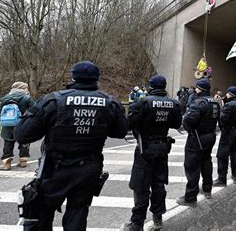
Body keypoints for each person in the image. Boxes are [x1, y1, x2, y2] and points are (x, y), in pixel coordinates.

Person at [14, 61, 128, 230]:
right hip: (88, 170)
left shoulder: (53, 100)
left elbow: (22, 134)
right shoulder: (109, 103)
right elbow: (120, 131)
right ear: (96, 79)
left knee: (41, 215)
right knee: (78, 214)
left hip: (55, 170)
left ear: (73, 77)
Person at [123, 75, 182, 231]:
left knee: (141, 186)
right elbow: (177, 124)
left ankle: (137, 223)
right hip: (163, 147)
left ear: (150, 86)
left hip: (146, 148)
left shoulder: (142, 102)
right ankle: (158, 219)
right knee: (158, 184)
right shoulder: (174, 103)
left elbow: (129, 124)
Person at [177, 79, 220, 206]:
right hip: (211, 136)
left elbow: (188, 121)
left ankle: (190, 197)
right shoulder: (215, 102)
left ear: (199, 89)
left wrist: (189, 129)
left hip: (197, 137)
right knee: (206, 162)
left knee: (192, 166)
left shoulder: (198, 102)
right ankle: (207, 189)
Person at [0, 82, 35, 170]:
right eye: (26, 88)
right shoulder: (27, 98)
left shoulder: (6, 98)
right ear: (23, 89)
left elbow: (0, 112)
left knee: (8, 141)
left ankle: (6, 162)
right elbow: (34, 109)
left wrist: (1, 121)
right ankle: (23, 160)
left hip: (7, 124)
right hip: (22, 123)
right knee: (24, 140)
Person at [214, 86, 236, 187]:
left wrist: (222, 127)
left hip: (227, 133)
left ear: (230, 94)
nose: (225, 95)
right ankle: (235, 176)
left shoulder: (229, 105)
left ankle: (222, 179)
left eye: (227, 93)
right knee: (234, 154)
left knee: (222, 156)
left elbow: (223, 120)